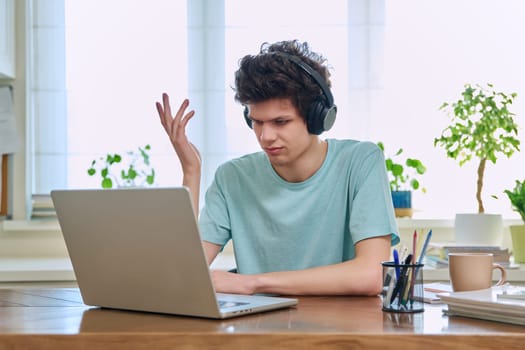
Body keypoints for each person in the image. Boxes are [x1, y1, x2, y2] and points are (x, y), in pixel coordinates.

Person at [156, 40, 399, 296]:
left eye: (280, 122)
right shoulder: (232, 178)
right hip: (258, 328)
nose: (265, 136)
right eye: (256, 122)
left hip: (338, 327)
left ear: (318, 117)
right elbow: (182, 273)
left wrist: (253, 282)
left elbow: (371, 275)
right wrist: (191, 172)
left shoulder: (360, 162)